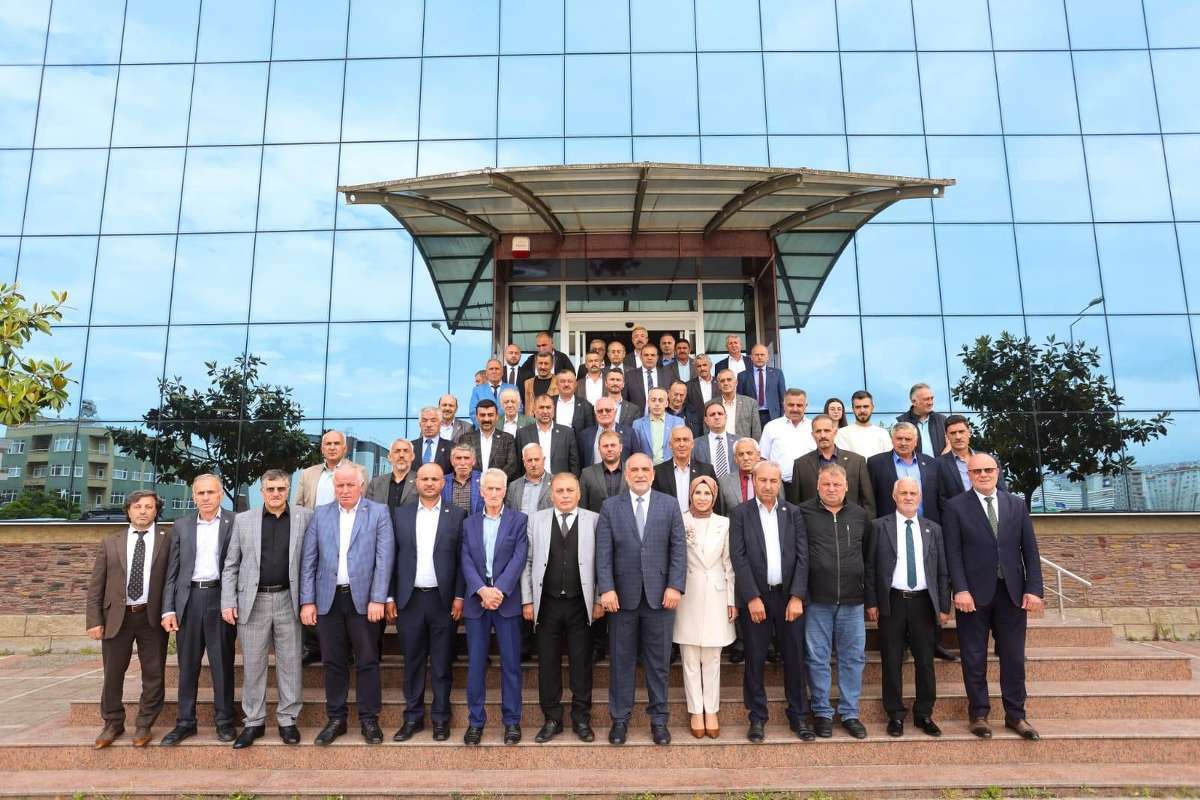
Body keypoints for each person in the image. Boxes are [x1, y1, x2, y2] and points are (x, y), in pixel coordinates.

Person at [943, 453, 1045, 741]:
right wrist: (960, 589)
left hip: (1012, 593)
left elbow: (1030, 550)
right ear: (969, 475)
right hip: (972, 596)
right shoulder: (955, 507)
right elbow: (953, 552)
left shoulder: (1016, 504)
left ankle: (1016, 715)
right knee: (974, 657)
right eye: (977, 471)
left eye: (988, 469)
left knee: (1013, 657)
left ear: (998, 472)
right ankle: (979, 714)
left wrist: (1034, 589)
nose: (983, 475)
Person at [299, 463, 394, 745]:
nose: (344, 490)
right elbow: (309, 561)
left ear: (361, 485)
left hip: (364, 601)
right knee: (333, 661)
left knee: (367, 660)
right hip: (328, 601)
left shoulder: (378, 512)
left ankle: (369, 719)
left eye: (350, 484)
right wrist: (307, 601)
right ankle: (336, 719)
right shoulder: (321, 514)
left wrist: (378, 598)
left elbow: (384, 560)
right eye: (339, 485)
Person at [596, 453, 686, 746]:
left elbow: (678, 550)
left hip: (661, 598)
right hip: (621, 599)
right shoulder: (610, 507)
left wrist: (675, 586)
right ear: (626, 474)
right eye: (634, 469)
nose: (640, 474)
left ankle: (659, 721)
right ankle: (620, 720)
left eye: (645, 469)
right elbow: (603, 553)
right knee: (621, 662)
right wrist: (606, 588)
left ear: (653, 474)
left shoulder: (669, 505)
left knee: (658, 664)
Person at [220, 470, 313, 748]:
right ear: (262, 492)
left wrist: (309, 600)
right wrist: (228, 601)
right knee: (253, 665)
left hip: (289, 600)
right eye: (270, 489)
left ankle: (288, 720)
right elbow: (231, 565)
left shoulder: (305, 517)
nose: (275, 494)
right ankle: (254, 722)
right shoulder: (244, 520)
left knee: (291, 664)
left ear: (288, 489)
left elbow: (312, 561)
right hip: (253, 601)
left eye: (281, 489)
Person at [728, 461, 813, 742]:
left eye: (773, 481)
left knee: (795, 657)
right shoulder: (740, 513)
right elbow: (738, 557)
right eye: (762, 480)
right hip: (757, 598)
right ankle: (757, 717)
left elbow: (803, 557)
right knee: (755, 658)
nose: (767, 485)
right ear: (753, 481)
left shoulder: (794, 513)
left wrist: (797, 596)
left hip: (789, 598)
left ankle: (799, 716)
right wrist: (752, 597)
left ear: (779, 484)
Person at [865, 476, 950, 738]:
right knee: (892, 660)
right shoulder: (879, 527)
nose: (909, 497)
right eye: (903, 493)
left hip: (924, 602)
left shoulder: (933, 529)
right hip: (892, 601)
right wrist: (872, 602)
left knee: (925, 662)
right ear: (894, 497)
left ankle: (924, 714)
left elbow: (942, 571)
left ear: (920, 497)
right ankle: (895, 715)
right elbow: (870, 568)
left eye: (913, 493)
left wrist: (943, 606)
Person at [388, 464, 466, 743]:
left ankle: (441, 719)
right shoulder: (401, 514)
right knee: (412, 662)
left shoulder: (457, 515)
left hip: (443, 601)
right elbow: (391, 558)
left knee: (442, 664)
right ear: (416, 482)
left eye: (435, 479)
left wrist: (459, 596)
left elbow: (463, 560)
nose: (430, 483)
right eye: (425, 479)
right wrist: (389, 596)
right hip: (409, 600)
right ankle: (412, 718)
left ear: (443, 483)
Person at [522, 472, 603, 743]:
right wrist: (528, 600)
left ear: (579, 493)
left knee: (582, 662)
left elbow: (602, 562)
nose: (565, 495)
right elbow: (527, 562)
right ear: (551, 495)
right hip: (547, 604)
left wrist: (599, 599)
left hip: (581, 604)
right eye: (560, 491)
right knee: (547, 662)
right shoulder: (536, 520)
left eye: (570, 490)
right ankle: (552, 718)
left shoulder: (594, 520)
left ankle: (581, 718)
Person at [87, 490, 170, 749]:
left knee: (154, 673)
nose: (143, 511)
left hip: (152, 617)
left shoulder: (169, 539)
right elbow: (96, 585)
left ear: (156, 511)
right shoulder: (110, 542)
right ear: (128, 510)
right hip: (116, 617)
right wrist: (94, 620)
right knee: (113, 673)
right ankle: (113, 722)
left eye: (149, 506)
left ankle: (145, 723)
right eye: (137, 506)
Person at [160, 474, 238, 745]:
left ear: (221, 494)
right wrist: (168, 609)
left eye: (211, 492)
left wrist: (234, 601)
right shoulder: (181, 526)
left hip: (221, 598)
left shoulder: (235, 522)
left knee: (222, 664)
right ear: (194, 496)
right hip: (189, 600)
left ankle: (225, 721)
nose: (206, 497)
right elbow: (172, 572)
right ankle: (185, 722)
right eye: (200, 493)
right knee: (188, 665)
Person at [796, 464, 870, 740]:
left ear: (846, 486)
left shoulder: (860, 515)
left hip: (853, 601)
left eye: (837, 484)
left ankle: (850, 713)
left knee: (853, 658)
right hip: (817, 600)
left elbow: (868, 557)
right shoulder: (802, 513)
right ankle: (823, 713)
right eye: (826, 484)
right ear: (817, 486)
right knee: (818, 658)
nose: (831, 489)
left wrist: (869, 596)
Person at [461, 469, 529, 745]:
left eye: (498, 489)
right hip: (477, 602)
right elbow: (465, 559)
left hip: (506, 601)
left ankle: (512, 722)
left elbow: (519, 557)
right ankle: (475, 722)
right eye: (488, 489)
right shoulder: (468, 523)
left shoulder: (519, 521)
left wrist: (498, 590)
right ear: (481, 491)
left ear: (505, 491)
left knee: (511, 665)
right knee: (476, 665)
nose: (493, 493)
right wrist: (482, 590)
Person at [673, 476, 736, 739]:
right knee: (689, 657)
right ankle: (695, 710)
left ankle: (711, 710)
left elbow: (729, 564)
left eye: (707, 493)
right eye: (697, 492)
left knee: (712, 657)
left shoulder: (724, 523)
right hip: (687, 593)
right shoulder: (679, 520)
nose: (702, 497)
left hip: (717, 594)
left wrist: (732, 600)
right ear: (690, 495)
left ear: (714, 496)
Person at [788, 414, 875, 518]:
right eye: (818, 431)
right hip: (813, 524)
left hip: (850, 523)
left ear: (835, 432)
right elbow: (795, 505)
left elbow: (868, 502)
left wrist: (867, 525)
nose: (823, 435)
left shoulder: (857, 461)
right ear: (812, 435)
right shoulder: (800, 464)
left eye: (827, 430)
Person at [867, 422, 943, 524]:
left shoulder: (931, 463)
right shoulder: (875, 463)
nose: (903, 443)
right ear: (892, 440)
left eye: (908, 439)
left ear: (915, 442)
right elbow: (870, 500)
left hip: (927, 526)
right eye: (899, 438)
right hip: (889, 527)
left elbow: (940, 498)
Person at [936, 414, 1007, 510]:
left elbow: (1002, 492)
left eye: (961, 431)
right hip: (958, 516)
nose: (958, 436)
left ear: (969, 432)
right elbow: (941, 500)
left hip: (990, 513)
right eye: (953, 433)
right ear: (947, 436)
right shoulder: (938, 464)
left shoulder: (989, 459)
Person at [296, 429, 369, 510]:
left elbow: (363, 506)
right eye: (328, 444)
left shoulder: (359, 471)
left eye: (336, 443)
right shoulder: (307, 474)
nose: (332, 447)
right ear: (322, 449)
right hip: (313, 518)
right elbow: (298, 508)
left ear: (345, 449)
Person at [653, 426, 718, 515]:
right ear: (670, 445)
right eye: (677, 440)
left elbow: (716, 503)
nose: (682, 444)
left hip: (699, 521)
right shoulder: (658, 472)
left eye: (685, 440)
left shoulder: (706, 470)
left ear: (692, 444)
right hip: (668, 522)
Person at [758, 388, 814, 488]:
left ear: (806, 406)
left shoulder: (814, 427)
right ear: (784, 405)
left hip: (810, 485)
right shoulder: (771, 427)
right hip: (779, 486)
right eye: (791, 405)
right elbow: (763, 458)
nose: (795, 409)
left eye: (799, 405)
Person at [517, 394, 581, 476]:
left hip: (560, 482)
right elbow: (519, 466)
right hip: (533, 482)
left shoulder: (567, 433)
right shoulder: (522, 434)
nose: (545, 411)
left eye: (548, 407)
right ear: (534, 410)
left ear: (553, 409)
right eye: (541, 407)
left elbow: (574, 465)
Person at [459, 399, 519, 480]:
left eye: (490, 415)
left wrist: (493, 481)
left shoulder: (507, 439)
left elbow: (511, 466)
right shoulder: (465, 439)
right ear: (477, 417)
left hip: (498, 485)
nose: (486, 419)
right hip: (472, 485)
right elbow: (462, 464)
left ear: (497, 417)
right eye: (482, 415)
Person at [578, 395, 643, 469]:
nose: (604, 413)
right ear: (595, 414)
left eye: (608, 410)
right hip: (593, 476)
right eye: (600, 411)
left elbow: (637, 459)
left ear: (615, 412)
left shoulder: (629, 433)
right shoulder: (585, 435)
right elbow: (581, 463)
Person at [632, 387, 686, 465]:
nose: (657, 404)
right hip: (647, 468)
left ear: (666, 403)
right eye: (653, 400)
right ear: (648, 403)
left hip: (670, 468)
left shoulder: (678, 422)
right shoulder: (638, 424)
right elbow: (636, 451)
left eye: (660, 400)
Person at [736, 344, 786, 426]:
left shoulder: (777, 374)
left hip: (773, 416)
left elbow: (783, 398)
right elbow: (740, 400)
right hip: (751, 416)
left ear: (767, 357)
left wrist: (782, 416)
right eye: (756, 355)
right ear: (751, 357)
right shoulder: (742, 376)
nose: (759, 357)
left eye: (762, 355)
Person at [835, 390, 893, 459]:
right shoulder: (842, 433)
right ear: (853, 409)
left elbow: (888, 460)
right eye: (858, 407)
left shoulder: (883, 433)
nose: (862, 410)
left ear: (872, 408)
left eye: (865, 406)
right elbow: (843, 461)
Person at [897, 382, 949, 458]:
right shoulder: (901, 422)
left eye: (932, 398)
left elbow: (951, 444)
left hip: (940, 464)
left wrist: (943, 459)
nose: (930, 402)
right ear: (914, 402)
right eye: (926, 399)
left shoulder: (942, 420)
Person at [580, 430, 626, 513]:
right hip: (597, 521)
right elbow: (582, 507)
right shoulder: (587, 474)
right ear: (599, 449)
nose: (609, 449)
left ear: (621, 448)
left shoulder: (632, 472)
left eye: (613, 445)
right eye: (605, 446)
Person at [366, 438, 417, 509]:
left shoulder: (420, 481)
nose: (401, 455)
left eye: (406, 451)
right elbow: (367, 510)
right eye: (397, 451)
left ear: (412, 456)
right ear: (389, 457)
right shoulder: (375, 484)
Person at [693, 401, 738, 478]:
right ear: (706, 420)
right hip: (706, 484)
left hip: (734, 484)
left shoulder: (739, 441)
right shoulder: (695, 444)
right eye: (712, 414)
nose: (716, 417)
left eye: (720, 414)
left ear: (726, 417)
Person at [624, 344, 676, 410]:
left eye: (653, 355)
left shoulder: (668, 375)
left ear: (657, 357)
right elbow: (625, 400)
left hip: (662, 415)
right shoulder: (629, 376)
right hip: (637, 415)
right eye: (646, 355)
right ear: (640, 357)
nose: (649, 358)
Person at [715, 368, 762, 440]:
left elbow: (756, 433)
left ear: (736, 382)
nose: (726, 383)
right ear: (718, 385)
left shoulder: (751, 403)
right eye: (722, 381)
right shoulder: (711, 405)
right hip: (719, 445)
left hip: (743, 446)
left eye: (729, 380)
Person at [506, 443, 552, 515]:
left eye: (536, 459)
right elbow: (508, 514)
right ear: (524, 462)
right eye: (529, 460)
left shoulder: (556, 482)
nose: (533, 464)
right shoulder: (513, 486)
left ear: (543, 460)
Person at [718, 437, 760, 513]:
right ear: (735, 459)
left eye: (749, 453)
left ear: (758, 456)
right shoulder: (724, 482)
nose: (745, 458)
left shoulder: (770, 478)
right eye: (741, 454)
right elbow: (721, 514)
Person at [442, 444, 483, 515]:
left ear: (473, 461)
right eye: (458, 458)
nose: (462, 463)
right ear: (452, 461)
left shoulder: (483, 480)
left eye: (466, 458)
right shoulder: (443, 481)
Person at [413, 407, 453, 473]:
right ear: (420, 424)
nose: (428, 425)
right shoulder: (411, 447)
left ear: (440, 424)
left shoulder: (451, 447)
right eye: (424, 420)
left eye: (433, 421)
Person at [684, 353, 717, 419]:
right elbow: (686, 407)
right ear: (695, 368)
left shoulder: (719, 382)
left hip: (716, 420)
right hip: (696, 422)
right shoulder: (688, 386)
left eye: (705, 365)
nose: (702, 368)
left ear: (710, 366)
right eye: (699, 366)